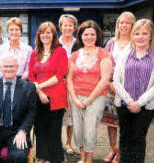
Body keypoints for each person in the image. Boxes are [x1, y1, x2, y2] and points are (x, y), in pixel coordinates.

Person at [113, 19, 154, 163]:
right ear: (132, 35)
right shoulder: (125, 53)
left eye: (144, 33)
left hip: (147, 107)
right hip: (124, 104)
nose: (140, 37)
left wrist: (140, 102)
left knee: (138, 138)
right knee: (125, 137)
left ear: (151, 35)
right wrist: (130, 101)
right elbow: (116, 80)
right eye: (137, 33)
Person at [0, 55, 38, 163]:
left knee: (19, 156)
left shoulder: (29, 87)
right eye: (6, 66)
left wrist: (23, 131)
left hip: (17, 131)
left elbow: (31, 112)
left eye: (12, 66)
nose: (9, 69)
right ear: (0, 68)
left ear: (17, 67)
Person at [67, 20, 112, 163]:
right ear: (80, 36)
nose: (89, 37)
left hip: (96, 98)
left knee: (89, 129)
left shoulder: (104, 54)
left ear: (97, 36)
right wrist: (74, 98)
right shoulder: (75, 55)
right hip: (76, 98)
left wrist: (88, 100)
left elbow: (105, 80)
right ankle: (82, 157)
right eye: (86, 34)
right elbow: (69, 79)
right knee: (78, 130)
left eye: (92, 34)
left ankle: (89, 159)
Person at [29, 21, 68, 163]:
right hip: (38, 97)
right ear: (38, 35)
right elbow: (31, 75)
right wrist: (39, 92)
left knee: (54, 130)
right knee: (40, 129)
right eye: (42, 33)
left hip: (56, 97)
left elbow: (59, 75)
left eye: (48, 32)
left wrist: (40, 86)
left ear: (53, 35)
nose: (45, 35)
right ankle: (42, 157)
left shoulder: (60, 51)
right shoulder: (35, 53)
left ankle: (56, 158)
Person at [101, 11, 136, 163]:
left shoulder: (135, 42)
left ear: (132, 25)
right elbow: (104, 63)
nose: (124, 25)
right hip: (111, 89)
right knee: (111, 121)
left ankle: (121, 151)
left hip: (129, 89)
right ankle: (112, 149)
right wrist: (108, 83)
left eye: (127, 23)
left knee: (125, 122)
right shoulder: (111, 43)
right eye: (121, 22)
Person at [58, 14, 80, 154]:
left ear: (74, 27)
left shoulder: (78, 43)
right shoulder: (55, 42)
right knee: (58, 115)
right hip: (58, 84)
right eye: (64, 25)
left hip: (74, 84)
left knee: (71, 116)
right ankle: (57, 142)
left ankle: (68, 144)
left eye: (70, 25)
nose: (67, 27)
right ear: (60, 27)